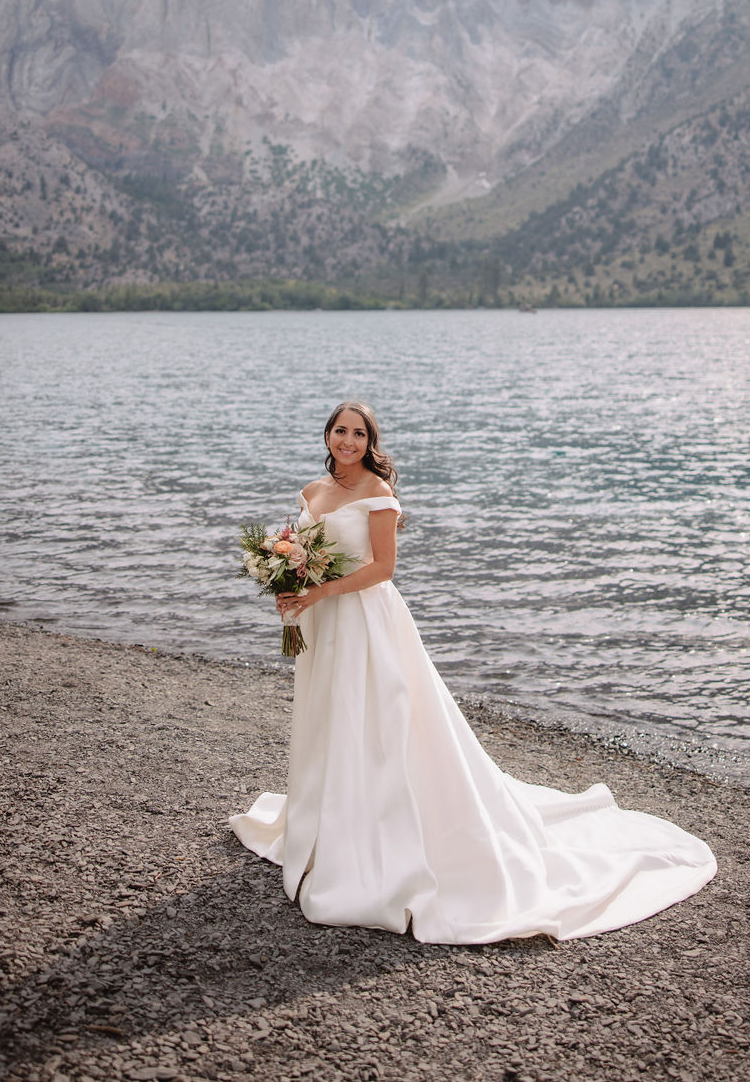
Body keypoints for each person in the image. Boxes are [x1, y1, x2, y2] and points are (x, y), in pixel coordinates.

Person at [229, 401, 716, 943]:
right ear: (327, 435)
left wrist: (317, 589)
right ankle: (327, 822)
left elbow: (383, 569)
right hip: (323, 623)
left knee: (380, 717)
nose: (348, 441)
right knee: (328, 715)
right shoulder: (311, 493)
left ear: (370, 443)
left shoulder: (378, 494)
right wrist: (291, 588)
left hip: (366, 620)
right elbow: (301, 550)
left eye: (358, 434)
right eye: (340, 431)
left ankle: (381, 829)